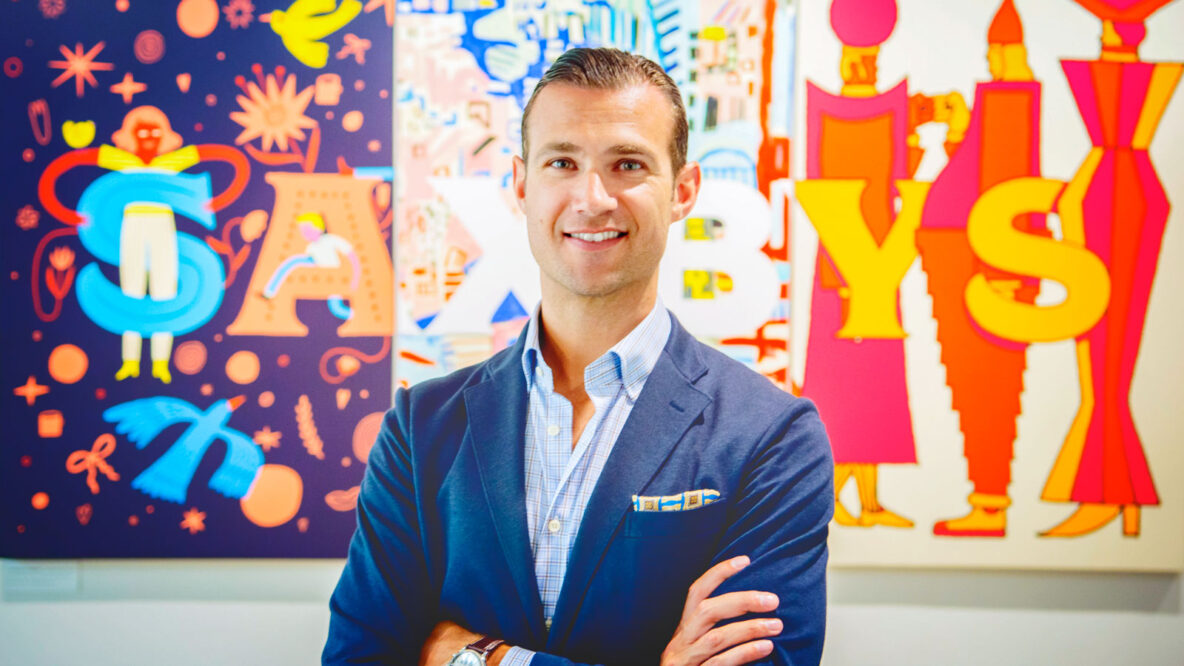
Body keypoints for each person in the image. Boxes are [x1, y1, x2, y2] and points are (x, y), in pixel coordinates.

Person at [323, 47, 834, 666]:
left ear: (684, 191)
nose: (593, 198)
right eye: (562, 161)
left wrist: (479, 656)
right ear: (521, 185)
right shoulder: (420, 426)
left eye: (628, 164)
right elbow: (359, 656)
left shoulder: (771, 436)